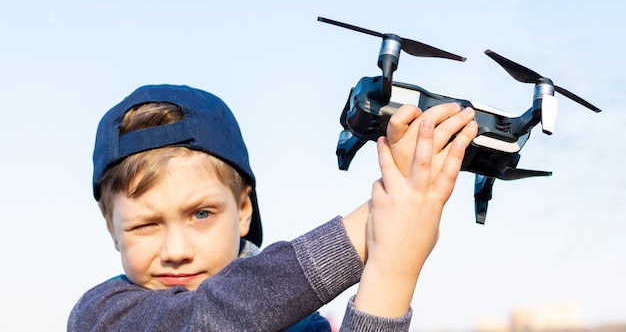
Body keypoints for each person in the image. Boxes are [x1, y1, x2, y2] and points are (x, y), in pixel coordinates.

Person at [68, 83, 477, 332]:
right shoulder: (102, 318)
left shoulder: (307, 329)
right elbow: (215, 316)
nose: (176, 250)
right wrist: (379, 219)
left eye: (201, 214)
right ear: (111, 227)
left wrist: (395, 266)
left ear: (243, 209)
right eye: (146, 225)